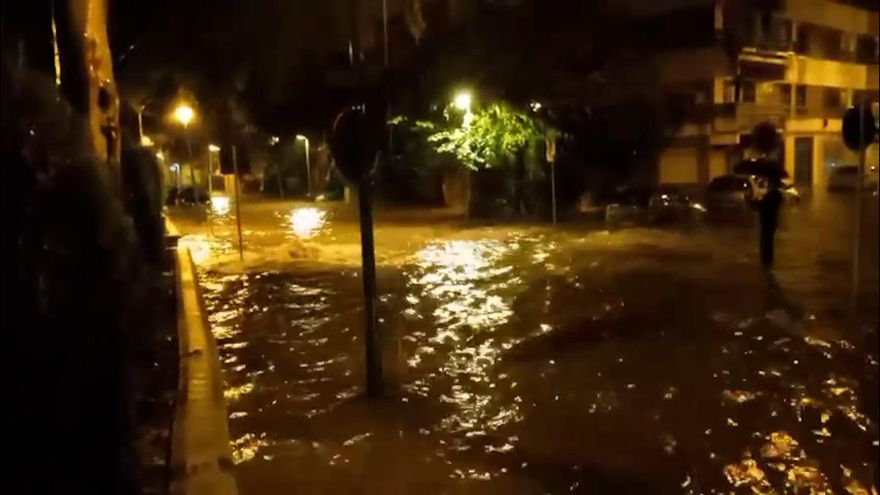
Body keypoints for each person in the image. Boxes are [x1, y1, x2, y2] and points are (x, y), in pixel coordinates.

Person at [758, 176, 784, 267]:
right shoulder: (775, 194)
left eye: (769, 182)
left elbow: (762, 206)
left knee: (766, 242)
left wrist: (752, 202)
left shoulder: (772, 194)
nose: (767, 184)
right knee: (768, 242)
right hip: (771, 221)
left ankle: (766, 261)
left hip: (767, 221)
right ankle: (768, 260)